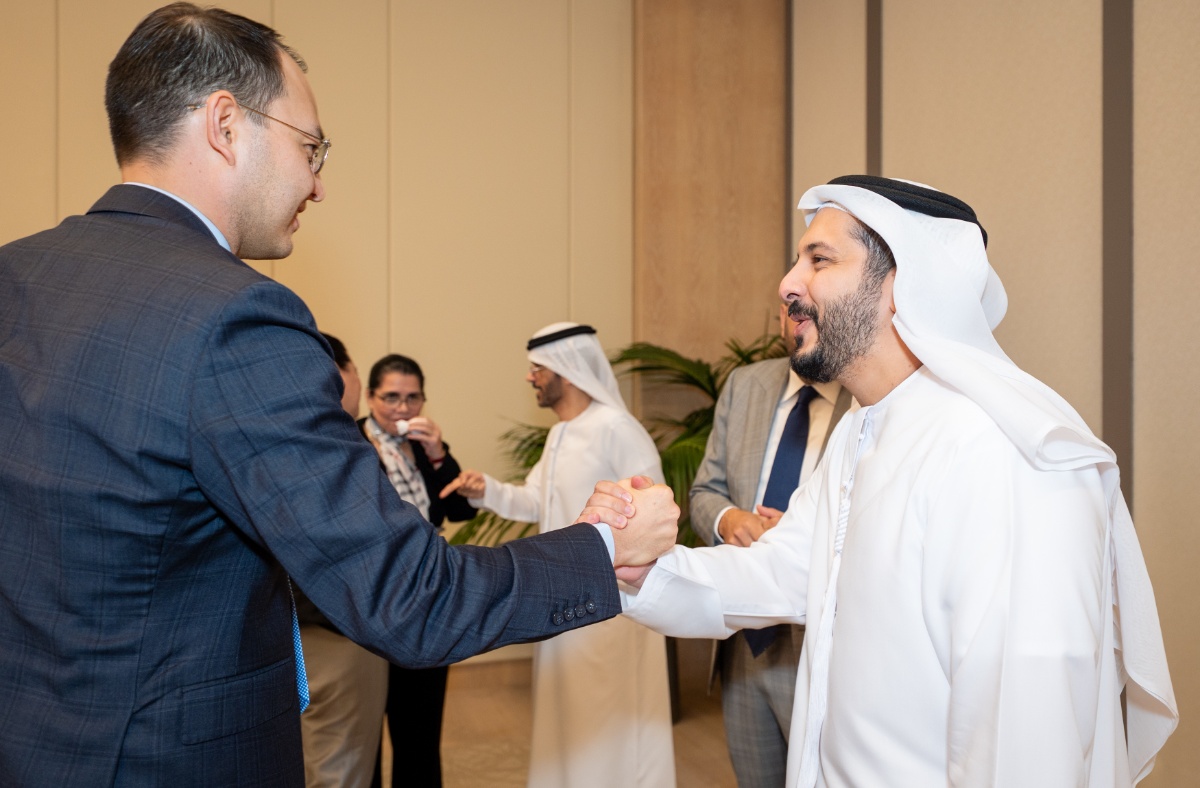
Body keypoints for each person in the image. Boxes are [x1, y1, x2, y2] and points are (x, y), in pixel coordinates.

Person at [0, 6, 679, 786]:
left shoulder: (17, 275)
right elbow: (410, 599)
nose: (318, 185)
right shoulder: (237, 317)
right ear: (225, 125)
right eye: (310, 147)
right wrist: (604, 548)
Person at [620, 176, 1177, 787]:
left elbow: (1024, 750)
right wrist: (639, 568)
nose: (787, 284)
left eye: (819, 260)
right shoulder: (860, 429)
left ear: (902, 286)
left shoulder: (1004, 456)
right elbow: (780, 570)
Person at [443, 323, 676, 788]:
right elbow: (536, 501)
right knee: (570, 714)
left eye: (537, 369)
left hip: (613, 604)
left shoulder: (616, 428)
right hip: (566, 595)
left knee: (606, 715)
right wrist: (485, 489)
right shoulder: (559, 435)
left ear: (565, 370)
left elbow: (655, 507)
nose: (530, 377)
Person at [689, 304, 852, 788]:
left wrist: (809, 536)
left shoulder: (866, 399)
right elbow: (704, 492)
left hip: (820, 647)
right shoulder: (745, 385)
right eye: (786, 307)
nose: (794, 313)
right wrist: (729, 520)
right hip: (743, 646)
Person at [359, 353, 476, 787]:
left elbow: (461, 509)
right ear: (370, 397)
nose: (403, 408)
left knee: (421, 730)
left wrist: (438, 452)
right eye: (391, 397)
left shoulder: (424, 445)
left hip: (428, 594)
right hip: (373, 595)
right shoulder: (351, 442)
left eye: (413, 397)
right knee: (364, 731)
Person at [295, 334, 389, 788]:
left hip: (291, 627)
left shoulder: (284, 432)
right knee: (340, 767)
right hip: (340, 630)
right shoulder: (338, 443)